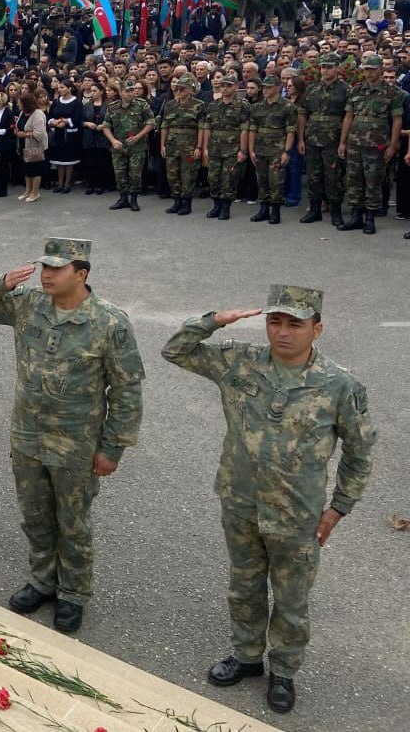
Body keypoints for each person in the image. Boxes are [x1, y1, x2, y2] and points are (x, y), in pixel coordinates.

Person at [162, 287, 375, 715]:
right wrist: (215, 319)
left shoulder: (338, 384)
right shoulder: (239, 361)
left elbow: (360, 450)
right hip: (240, 501)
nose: (282, 332)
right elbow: (175, 350)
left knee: (292, 599)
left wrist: (338, 508)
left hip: (297, 514)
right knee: (244, 586)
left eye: (295, 324)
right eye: (275, 321)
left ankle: (284, 671)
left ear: (317, 329)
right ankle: (246, 657)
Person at [0, 238, 145, 634]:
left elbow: (128, 389)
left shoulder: (108, 322)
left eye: (57, 269)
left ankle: (74, 593)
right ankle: (43, 580)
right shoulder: (29, 305)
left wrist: (113, 447)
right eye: (44, 267)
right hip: (28, 436)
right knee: (35, 515)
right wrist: (1, 282)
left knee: (73, 522)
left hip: (76, 444)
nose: (46, 275)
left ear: (81, 274)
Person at [337, 53, 403, 235]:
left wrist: (392, 145)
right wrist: (342, 142)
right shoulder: (356, 90)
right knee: (353, 179)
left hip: (377, 144)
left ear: (380, 69)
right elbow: (349, 117)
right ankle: (356, 216)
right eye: (366, 69)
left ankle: (371, 218)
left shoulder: (392, 92)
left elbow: (397, 121)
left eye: (372, 69)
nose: (369, 73)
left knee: (373, 181)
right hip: (355, 142)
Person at [297, 53, 348, 226]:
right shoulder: (312, 89)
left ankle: (336, 212)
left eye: (329, 67)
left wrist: (343, 142)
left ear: (337, 68)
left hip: (332, 139)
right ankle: (314, 210)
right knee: (313, 176)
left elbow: (348, 117)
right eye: (323, 67)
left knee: (333, 177)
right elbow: (303, 114)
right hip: (312, 138)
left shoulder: (345, 89)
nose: (325, 70)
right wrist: (301, 139)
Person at [246, 75, 296, 225]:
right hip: (260, 149)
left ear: (277, 87)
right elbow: (252, 129)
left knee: (276, 181)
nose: (266, 90)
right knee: (262, 180)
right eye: (264, 87)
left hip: (277, 149)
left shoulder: (287, 106)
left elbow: (290, 130)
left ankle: (275, 211)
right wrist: (251, 150)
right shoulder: (257, 107)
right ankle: (263, 209)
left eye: (269, 87)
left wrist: (287, 151)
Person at [201, 75, 251, 220]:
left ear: (235, 87)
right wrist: (205, 147)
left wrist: (243, 150)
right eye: (222, 85)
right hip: (215, 147)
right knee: (213, 178)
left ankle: (225, 208)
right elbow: (207, 127)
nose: (225, 88)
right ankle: (216, 206)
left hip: (232, 148)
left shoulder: (242, 105)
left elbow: (245, 129)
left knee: (229, 178)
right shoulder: (213, 105)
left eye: (228, 85)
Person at [102, 79, 154, 211]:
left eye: (133, 91)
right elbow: (106, 126)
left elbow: (151, 123)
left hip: (137, 146)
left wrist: (138, 136)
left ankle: (134, 199)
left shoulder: (142, 105)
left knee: (135, 174)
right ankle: (123, 198)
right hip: (119, 146)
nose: (131, 93)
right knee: (120, 173)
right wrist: (113, 141)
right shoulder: (112, 107)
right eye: (128, 91)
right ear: (120, 92)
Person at [161, 74, 204, 215]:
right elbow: (165, 125)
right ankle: (177, 201)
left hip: (189, 144)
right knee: (172, 174)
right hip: (172, 144)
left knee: (188, 174)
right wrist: (163, 145)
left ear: (190, 90)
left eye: (182, 89)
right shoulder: (170, 105)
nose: (179, 91)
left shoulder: (199, 105)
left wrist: (199, 146)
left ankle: (186, 203)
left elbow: (202, 128)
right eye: (177, 89)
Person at [16, 92, 48, 203]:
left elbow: (39, 134)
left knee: (35, 170)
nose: (18, 104)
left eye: (20, 103)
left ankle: (35, 192)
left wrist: (25, 134)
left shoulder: (38, 114)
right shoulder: (22, 113)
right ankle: (27, 191)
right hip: (23, 145)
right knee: (26, 169)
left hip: (35, 147)